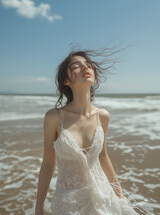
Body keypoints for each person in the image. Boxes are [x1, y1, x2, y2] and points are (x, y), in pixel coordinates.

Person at [35, 48, 148, 215]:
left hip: (103, 199)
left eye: (88, 65)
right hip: (68, 203)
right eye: (76, 66)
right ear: (66, 80)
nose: (85, 68)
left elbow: (103, 156)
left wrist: (120, 197)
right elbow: (48, 164)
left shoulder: (102, 116)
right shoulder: (54, 117)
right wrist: (38, 209)